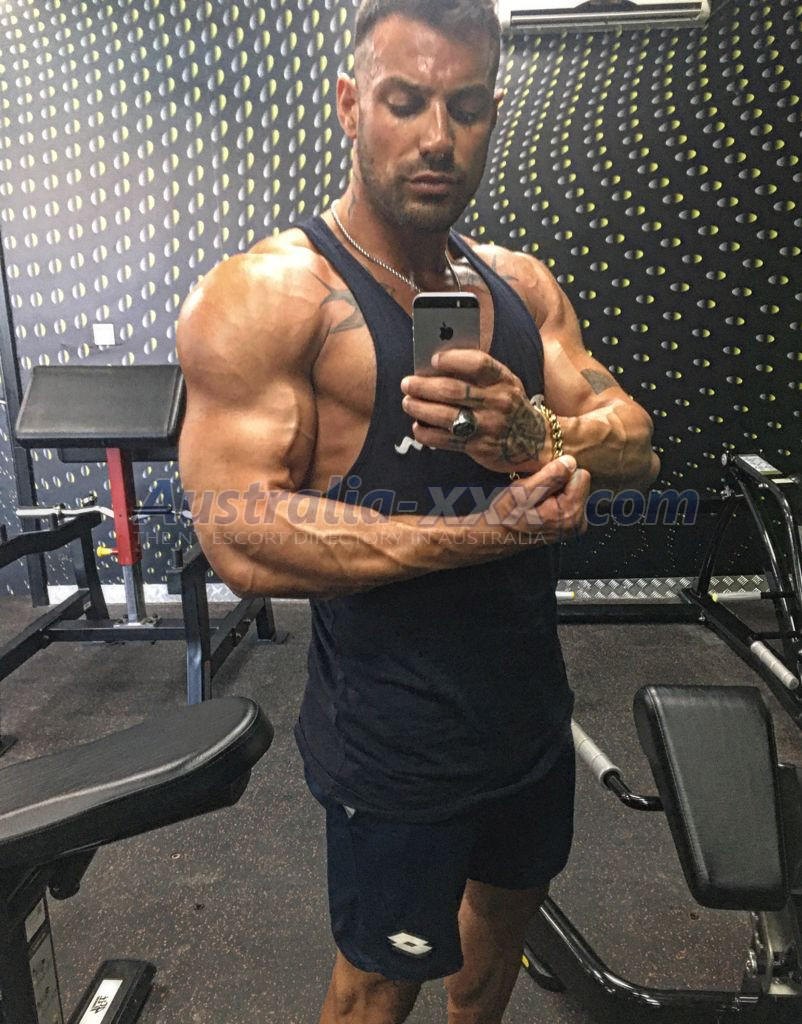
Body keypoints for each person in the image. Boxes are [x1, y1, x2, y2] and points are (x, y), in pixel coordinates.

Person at [177, 1, 660, 1020]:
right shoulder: (270, 295)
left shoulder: (519, 283)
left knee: (499, 938)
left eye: (466, 107)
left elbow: (636, 443)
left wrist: (537, 434)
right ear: (351, 105)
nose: (438, 136)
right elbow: (239, 533)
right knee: (375, 986)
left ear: (492, 115)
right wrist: (487, 534)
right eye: (405, 102)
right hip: (393, 743)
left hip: (529, 716)